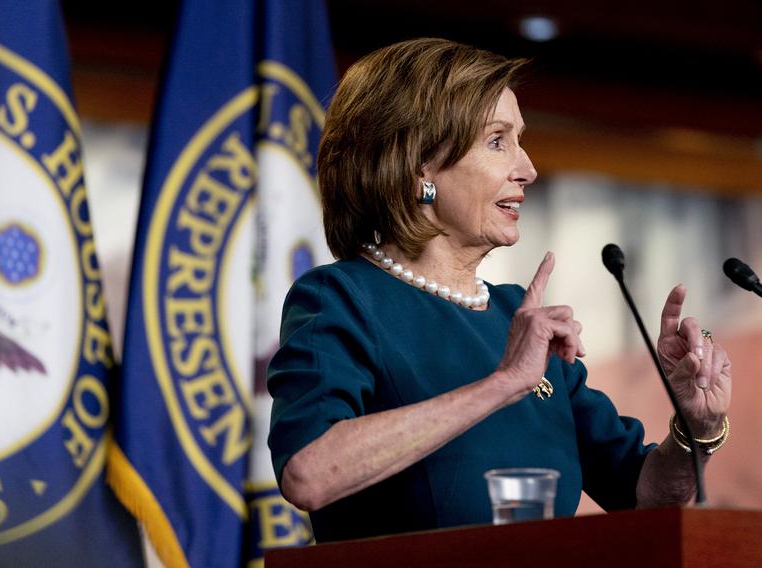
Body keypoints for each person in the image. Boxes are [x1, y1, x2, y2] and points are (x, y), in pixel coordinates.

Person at [266, 38, 732, 543]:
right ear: (419, 162)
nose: (527, 168)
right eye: (497, 140)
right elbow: (308, 474)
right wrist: (502, 383)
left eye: (521, 139)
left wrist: (697, 430)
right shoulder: (341, 299)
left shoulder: (517, 314)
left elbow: (645, 494)